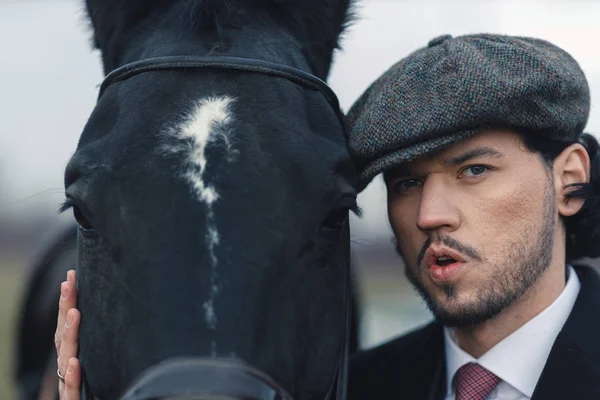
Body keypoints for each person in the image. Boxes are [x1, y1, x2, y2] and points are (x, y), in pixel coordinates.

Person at [53, 33, 600, 400]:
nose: (430, 215)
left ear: (568, 179)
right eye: (405, 182)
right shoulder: (358, 388)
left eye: (474, 170)